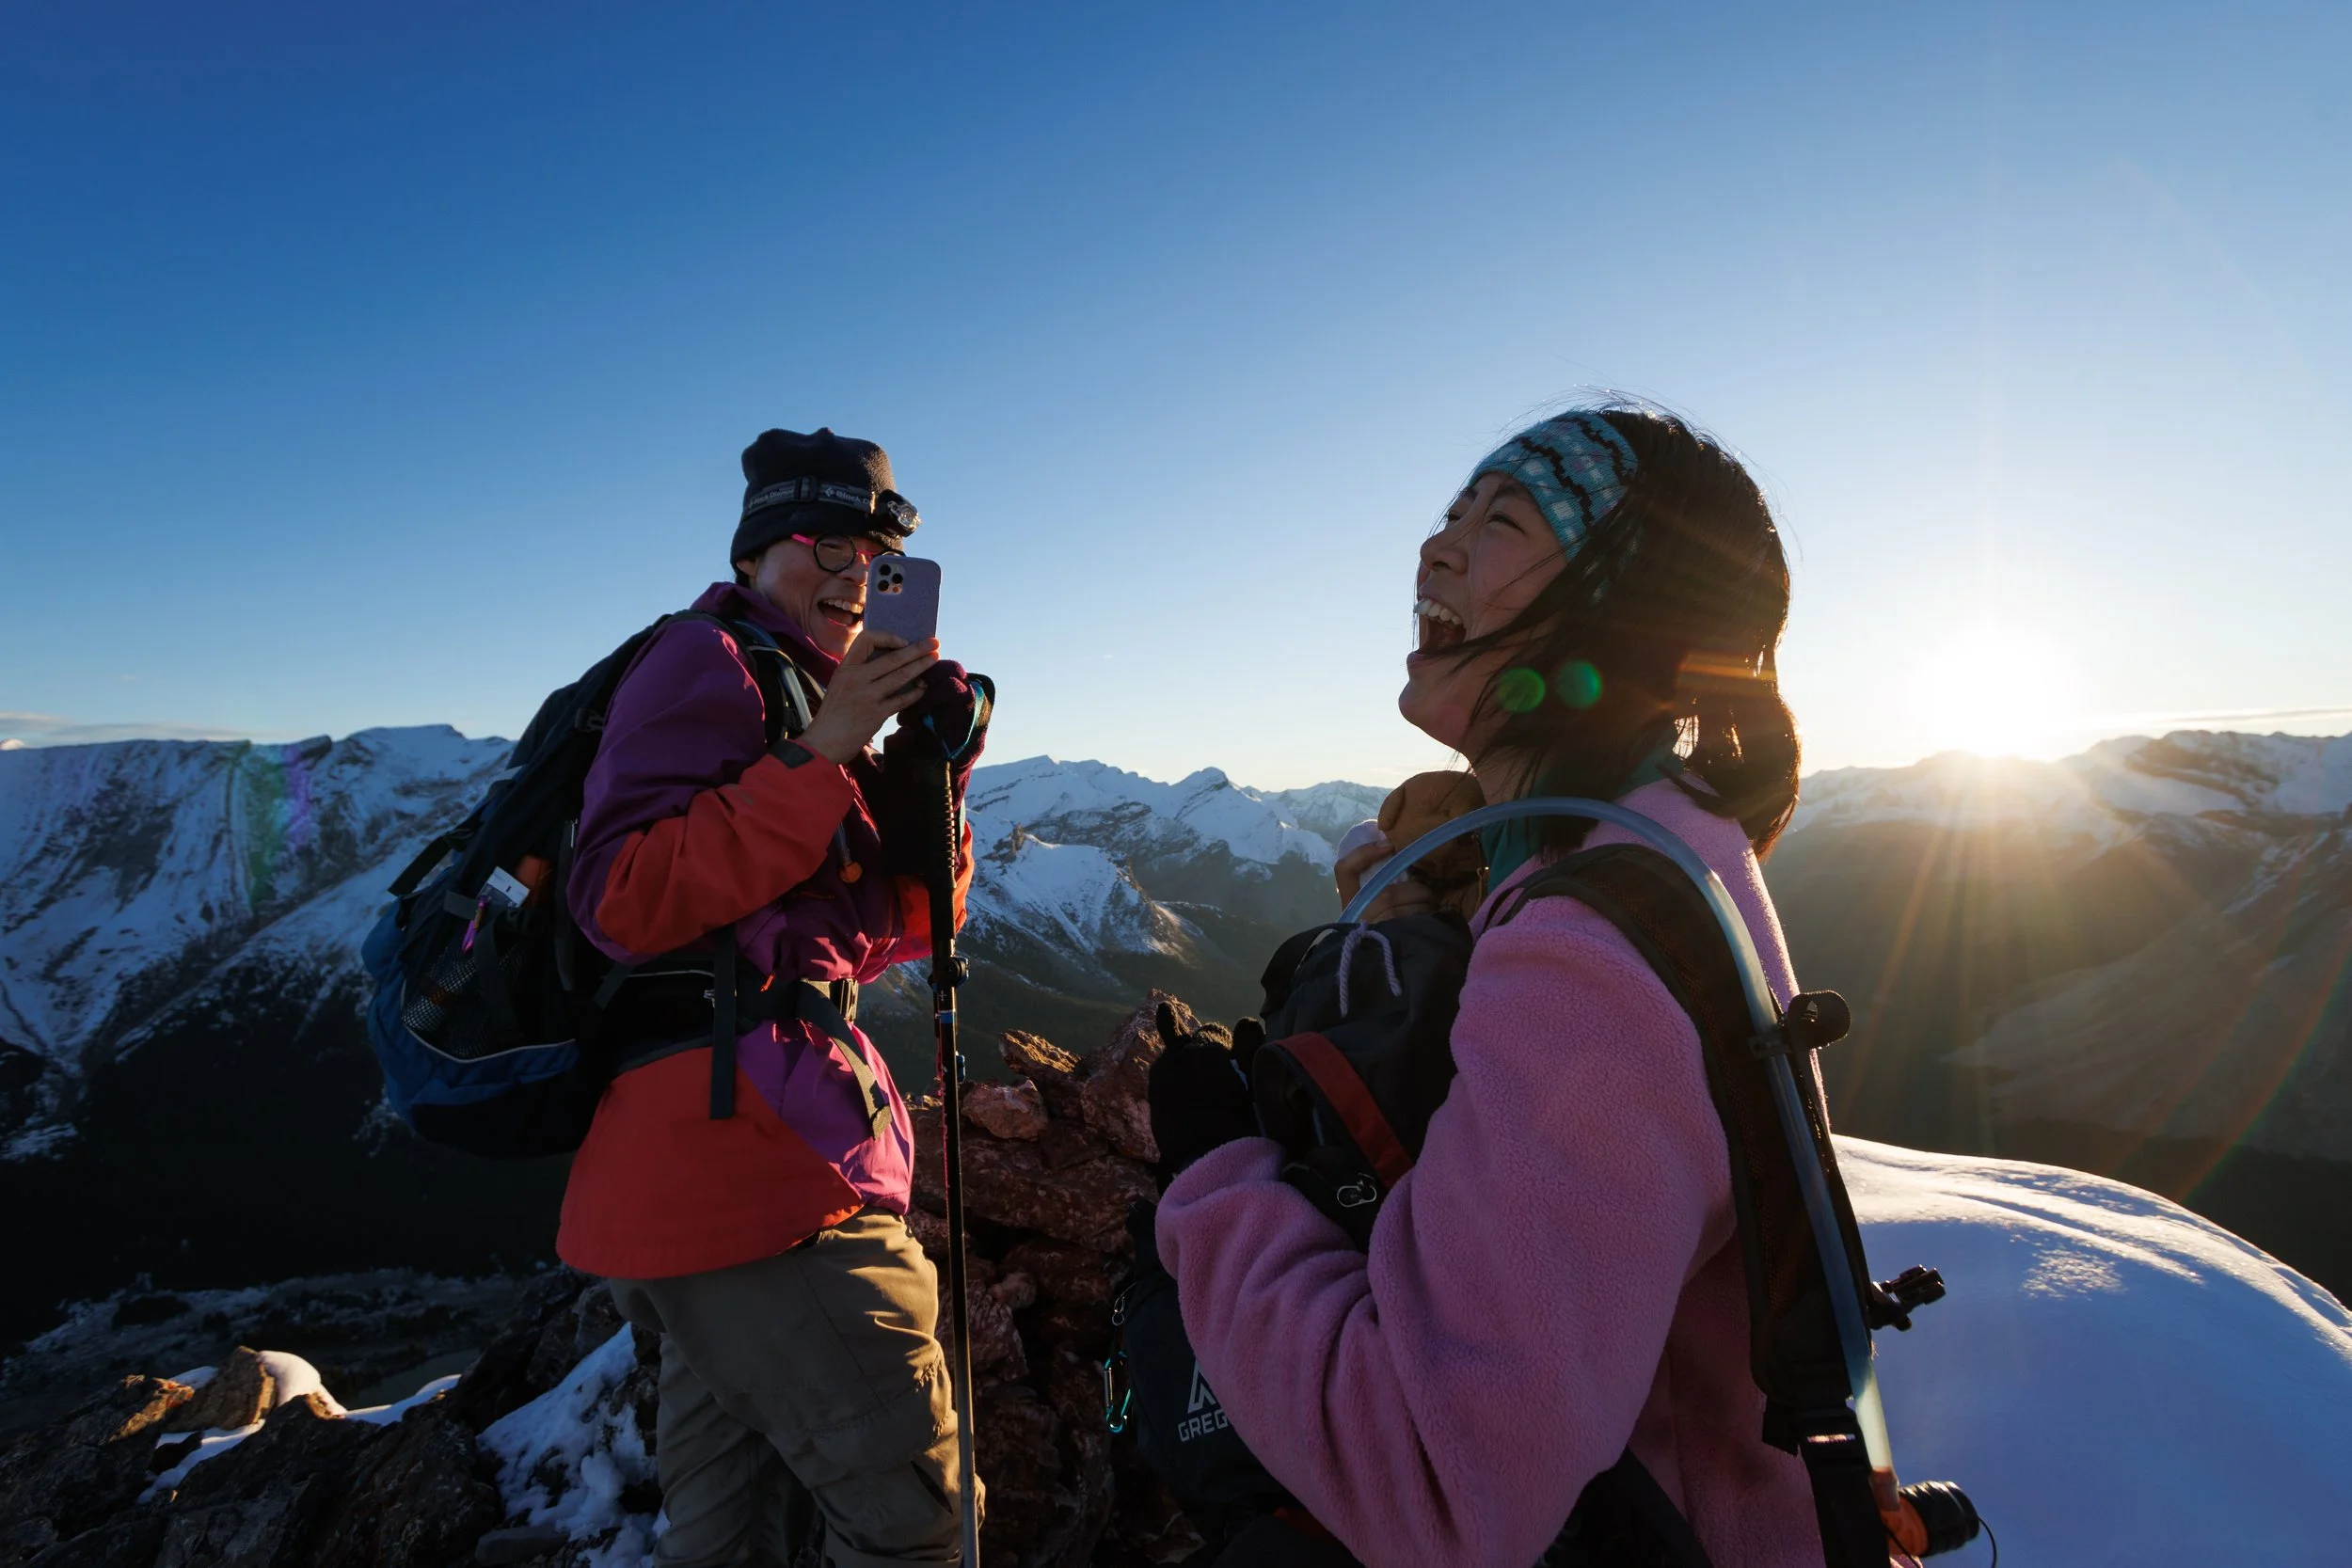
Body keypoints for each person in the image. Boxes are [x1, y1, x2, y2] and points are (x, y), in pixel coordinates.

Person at [1150, 405, 1824, 1566]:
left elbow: (1436, 1480)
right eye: (1453, 511)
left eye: (1502, 520)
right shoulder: (1637, 845)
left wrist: (1214, 1180)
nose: (1435, 547)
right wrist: (1436, 928)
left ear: (1624, 609)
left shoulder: (1589, 948)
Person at [558, 427, 986, 1568]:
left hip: (749, 1160)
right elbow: (621, 897)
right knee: (921, 1517)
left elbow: (897, 934)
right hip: (746, 1164)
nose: (855, 575)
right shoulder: (704, 660)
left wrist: (930, 775)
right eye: (825, 544)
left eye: (879, 558)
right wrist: (825, 748)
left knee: (740, 1534)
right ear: (755, 552)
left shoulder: (808, 688)